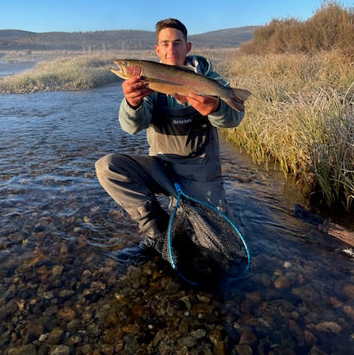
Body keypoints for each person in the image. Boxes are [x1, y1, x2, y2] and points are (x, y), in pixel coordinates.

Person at [95, 18, 245, 261]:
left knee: (217, 252)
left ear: (188, 47)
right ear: (157, 50)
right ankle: (157, 230)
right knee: (107, 167)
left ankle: (190, 215)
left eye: (177, 43)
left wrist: (217, 105)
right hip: (162, 169)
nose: (171, 49)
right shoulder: (147, 81)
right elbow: (132, 126)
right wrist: (132, 102)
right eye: (164, 44)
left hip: (201, 174)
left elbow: (234, 119)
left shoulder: (210, 78)